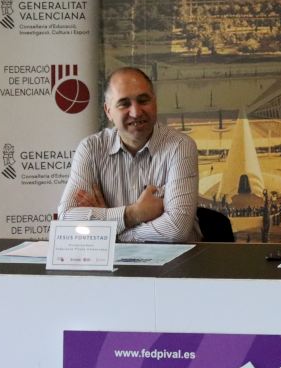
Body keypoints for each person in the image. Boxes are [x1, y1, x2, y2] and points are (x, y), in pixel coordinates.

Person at [57, 67, 201, 242]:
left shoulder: (180, 146)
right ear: (108, 111)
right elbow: (67, 220)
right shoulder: (91, 149)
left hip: (176, 257)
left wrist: (112, 231)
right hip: (112, 258)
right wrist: (133, 213)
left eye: (143, 100)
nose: (136, 112)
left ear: (155, 103)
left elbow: (176, 229)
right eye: (124, 104)